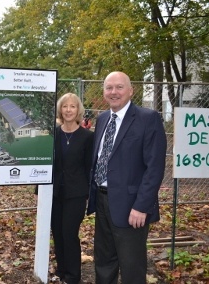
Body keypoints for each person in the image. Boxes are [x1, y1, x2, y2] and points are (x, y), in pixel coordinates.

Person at [87, 71, 167, 284]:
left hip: (132, 206)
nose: (114, 92)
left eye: (119, 87)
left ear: (131, 90)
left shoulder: (148, 119)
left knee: (132, 265)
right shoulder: (103, 118)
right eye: (109, 88)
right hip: (103, 201)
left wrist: (142, 206)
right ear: (104, 92)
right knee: (104, 261)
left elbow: (155, 168)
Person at [50, 93, 94, 283]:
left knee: (69, 233)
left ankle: (73, 276)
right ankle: (61, 272)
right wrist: (39, 190)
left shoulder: (87, 137)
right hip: (54, 192)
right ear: (60, 110)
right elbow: (45, 164)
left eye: (72, 106)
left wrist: (88, 194)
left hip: (76, 193)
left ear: (78, 111)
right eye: (65, 106)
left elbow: (89, 167)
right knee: (57, 233)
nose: (68, 110)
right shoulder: (53, 134)